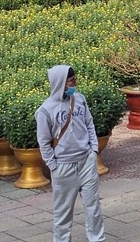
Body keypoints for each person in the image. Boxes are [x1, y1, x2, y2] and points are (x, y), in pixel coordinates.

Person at [35, 65, 105, 242]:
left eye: (75, 80)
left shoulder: (79, 99)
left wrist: (93, 150)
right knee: (63, 213)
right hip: (63, 166)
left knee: (93, 207)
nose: (74, 84)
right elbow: (43, 142)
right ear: (60, 83)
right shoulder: (45, 110)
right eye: (71, 81)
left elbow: (89, 124)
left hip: (86, 161)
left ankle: (97, 239)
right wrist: (53, 166)